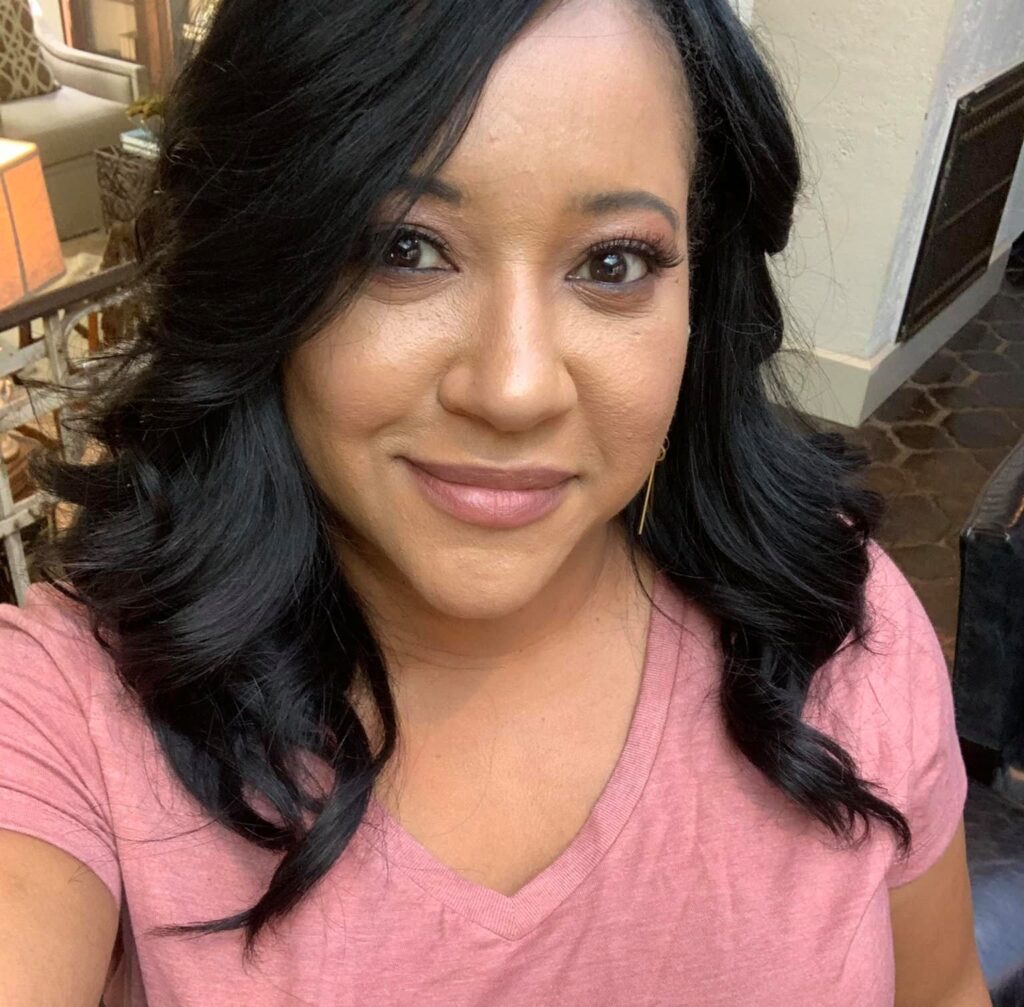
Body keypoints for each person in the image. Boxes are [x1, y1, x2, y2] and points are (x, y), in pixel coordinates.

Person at [0, 0, 991, 1004]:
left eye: (612, 262)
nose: (514, 390)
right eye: (403, 247)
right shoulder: (71, 713)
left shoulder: (834, 626)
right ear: (265, 267)